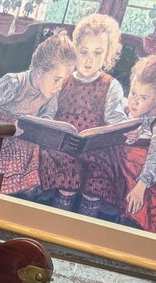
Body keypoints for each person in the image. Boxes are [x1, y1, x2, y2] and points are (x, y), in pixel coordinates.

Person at [39, 13, 128, 218]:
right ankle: (56, 223)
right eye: (84, 52)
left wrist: (125, 131)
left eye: (98, 53)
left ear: (107, 55)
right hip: (62, 146)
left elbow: (116, 121)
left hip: (95, 148)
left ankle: (82, 228)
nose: (90, 59)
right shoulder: (64, 79)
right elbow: (48, 113)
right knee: (68, 174)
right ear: (75, 50)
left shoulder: (111, 85)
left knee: (98, 177)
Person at [0, 32, 76, 196]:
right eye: (56, 79)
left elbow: (46, 117)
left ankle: (16, 195)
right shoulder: (15, 83)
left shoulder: (50, 93)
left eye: (63, 81)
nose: (59, 87)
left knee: (29, 150)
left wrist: (39, 126)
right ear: (40, 71)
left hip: (22, 132)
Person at [118, 55, 156, 232]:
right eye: (133, 93)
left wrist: (141, 186)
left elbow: (154, 157)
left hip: (148, 176)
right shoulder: (133, 110)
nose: (134, 101)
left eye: (143, 98)